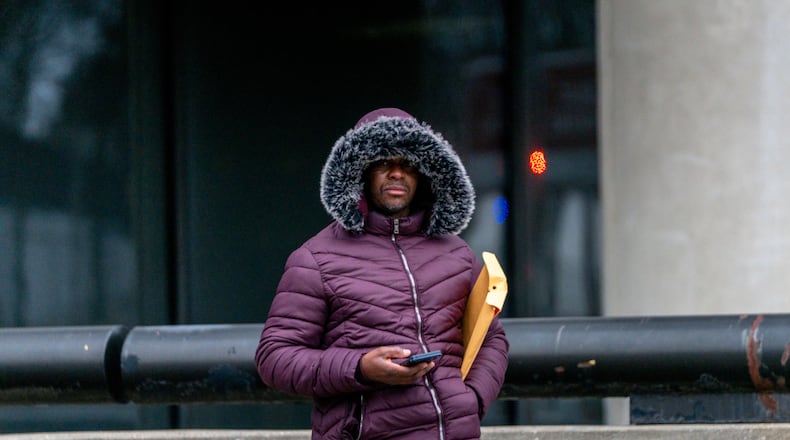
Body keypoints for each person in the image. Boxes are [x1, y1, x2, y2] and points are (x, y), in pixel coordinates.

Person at [255, 107, 509, 440]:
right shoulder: (315, 258)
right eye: (384, 163)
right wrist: (360, 368)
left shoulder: (456, 253)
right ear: (360, 171)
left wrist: (471, 399)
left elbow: (492, 339)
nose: (397, 174)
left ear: (424, 174)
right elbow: (274, 358)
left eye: (408, 164)